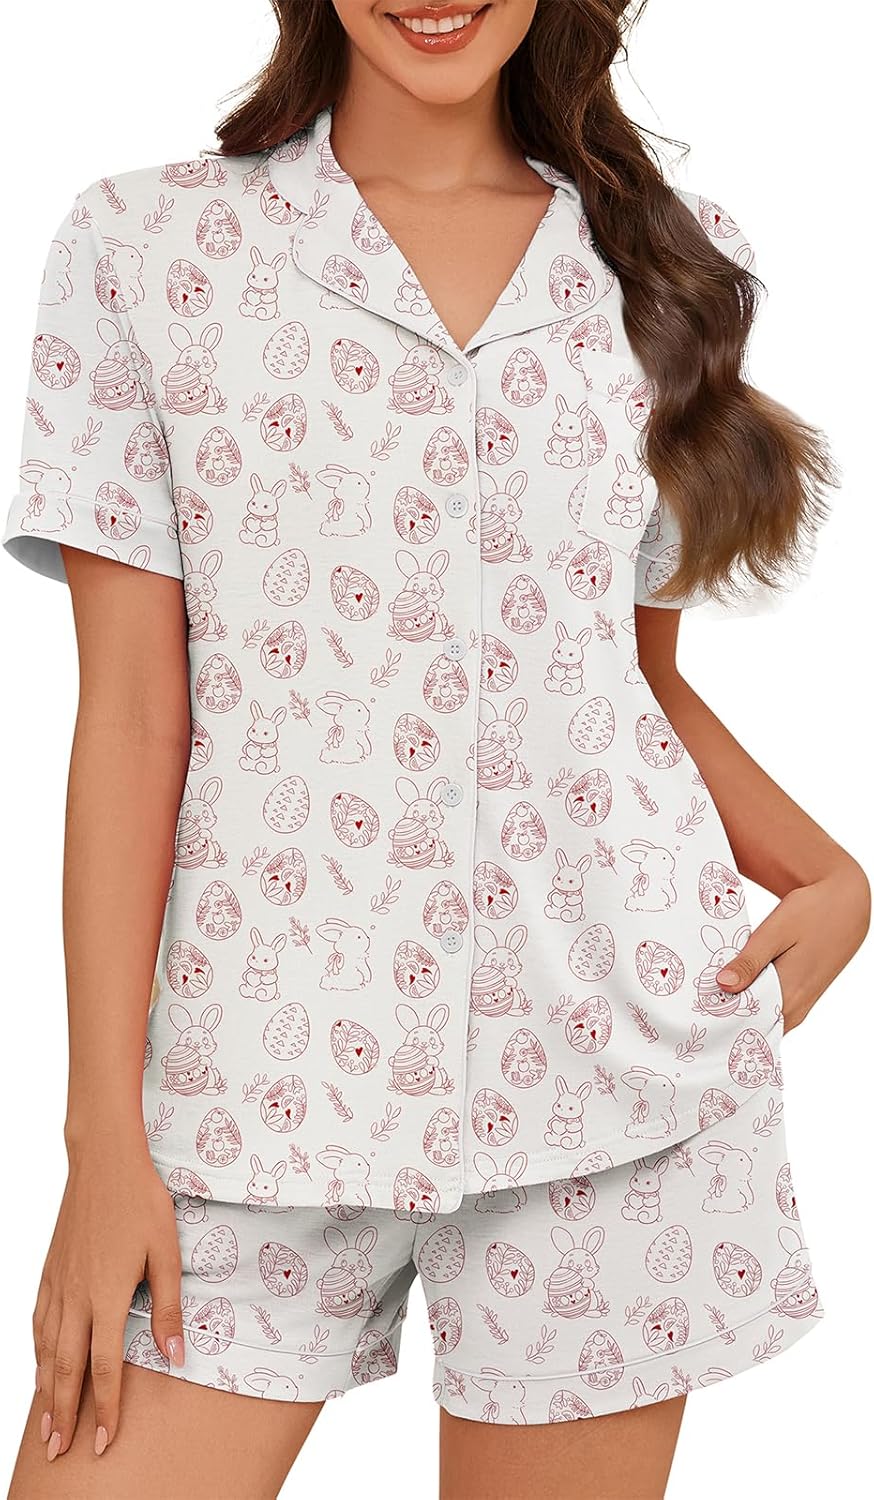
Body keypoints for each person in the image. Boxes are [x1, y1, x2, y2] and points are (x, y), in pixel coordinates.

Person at [3, 3, 869, 1497]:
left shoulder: (666, 264)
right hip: (251, 1091)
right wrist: (102, 1151)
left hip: (609, 1088)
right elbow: (135, 715)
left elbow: (617, 680)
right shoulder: (148, 249)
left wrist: (828, 874)